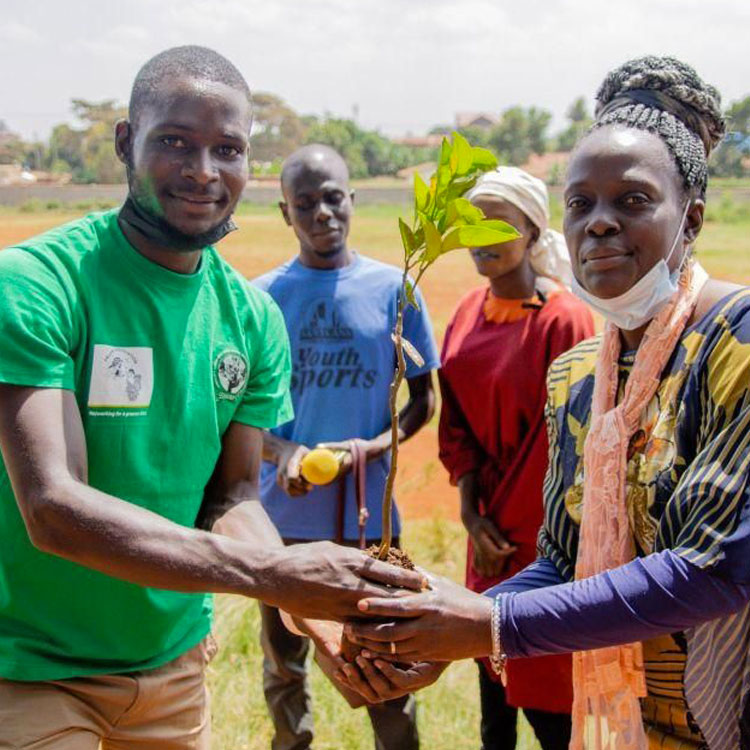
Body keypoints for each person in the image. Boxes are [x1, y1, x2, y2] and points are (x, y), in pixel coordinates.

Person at [0, 46, 423, 750]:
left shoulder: (251, 320)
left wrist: (318, 617)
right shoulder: (38, 284)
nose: (204, 172)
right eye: (175, 142)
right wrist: (278, 572)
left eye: (227, 149)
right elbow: (54, 509)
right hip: (30, 669)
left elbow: (231, 497)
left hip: (171, 669)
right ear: (125, 144)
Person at [344, 56, 750, 750]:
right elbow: (562, 562)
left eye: (631, 201)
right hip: (633, 726)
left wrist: (489, 626)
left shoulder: (734, 344)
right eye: (581, 203)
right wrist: (440, 630)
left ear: (692, 218)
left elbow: (717, 566)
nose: (598, 224)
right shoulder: (577, 380)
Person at [253, 143, 439, 750]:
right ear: (286, 214)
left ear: (352, 201)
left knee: (385, 657)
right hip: (283, 520)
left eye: (333, 198)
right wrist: (283, 457)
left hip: (369, 518)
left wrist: (369, 448)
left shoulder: (396, 290)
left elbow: (422, 402)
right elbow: (238, 416)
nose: (322, 214)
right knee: (285, 662)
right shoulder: (261, 299)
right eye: (304, 204)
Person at [438, 166, 594, 749]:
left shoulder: (565, 320)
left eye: (497, 224)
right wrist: (471, 513)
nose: (480, 236)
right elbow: (456, 424)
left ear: (531, 230)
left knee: (548, 690)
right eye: (470, 223)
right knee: (491, 686)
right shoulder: (465, 313)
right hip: (487, 529)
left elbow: (569, 443)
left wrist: (506, 521)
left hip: (544, 534)